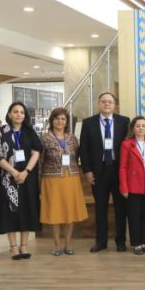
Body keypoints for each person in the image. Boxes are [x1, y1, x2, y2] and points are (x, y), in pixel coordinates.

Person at [0, 102, 42, 260]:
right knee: (8, 211)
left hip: (27, 178)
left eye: (22, 112)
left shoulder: (29, 131)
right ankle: (13, 247)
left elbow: (36, 152)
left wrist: (26, 172)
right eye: (15, 111)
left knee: (27, 209)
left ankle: (24, 245)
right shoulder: (0, 132)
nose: (19, 114)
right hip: (7, 178)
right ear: (9, 114)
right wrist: (13, 172)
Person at [79, 92, 129, 253]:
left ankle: (120, 241)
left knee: (121, 208)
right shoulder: (88, 123)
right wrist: (87, 170)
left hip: (118, 170)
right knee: (100, 208)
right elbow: (84, 149)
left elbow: (129, 147)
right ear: (99, 104)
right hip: (98, 171)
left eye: (110, 102)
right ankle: (101, 242)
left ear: (115, 105)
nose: (107, 104)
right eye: (104, 101)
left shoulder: (124, 121)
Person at [39, 107, 88, 256]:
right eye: (57, 118)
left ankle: (68, 244)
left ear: (66, 122)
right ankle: (57, 245)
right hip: (51, 179)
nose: (60, 121)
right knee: (55, 212)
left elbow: (77, 156)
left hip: (71, 179)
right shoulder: (44, 138)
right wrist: (38, 183)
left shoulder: (72, 138)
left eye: (63, 119)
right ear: (52, 120)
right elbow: (40, 162)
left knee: (69, 212)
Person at [119, 116, 145, 255]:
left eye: (143, 126)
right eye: (138, 126)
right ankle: (136, 244)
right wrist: (124, 187)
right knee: (134, 215)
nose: (141, 128)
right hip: (133, 184)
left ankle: (144, 243)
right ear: (133, 129)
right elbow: (122, 167)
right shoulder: (126, 144)